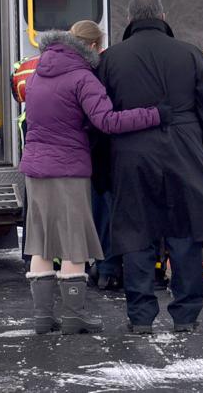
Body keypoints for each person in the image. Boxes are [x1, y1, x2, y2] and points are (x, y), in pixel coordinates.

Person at [97, 0, 203, 334]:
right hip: (183, 147)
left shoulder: (110, 60)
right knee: (185, 231)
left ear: (129, 20)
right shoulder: (190, 54)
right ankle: (186, 315)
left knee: (135, 233)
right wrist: (199, 145)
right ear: (163, 15)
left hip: (130, 153)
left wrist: (104, 166)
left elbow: (98, 120)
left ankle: (140, 317)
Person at [20, 30, 163, 335]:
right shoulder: (82, 78)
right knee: (74, 243)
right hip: (69, 170)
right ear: (88, 50)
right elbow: (108, 121)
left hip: (35, 168)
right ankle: (74, 316)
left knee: (40, 242)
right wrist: (154, 115)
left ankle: (42, 318)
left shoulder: (35, 75)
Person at [68, 21, 123, 290]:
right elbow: (106, 118)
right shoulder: (96, 69)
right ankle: (107, 268)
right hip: (100, 149)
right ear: (93, 46)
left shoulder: (49, 66)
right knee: (106, 210)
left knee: (86, 212)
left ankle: (89, 267)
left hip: (67, 153)